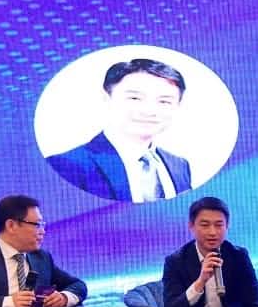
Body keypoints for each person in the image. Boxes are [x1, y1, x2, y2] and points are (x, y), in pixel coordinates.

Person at [47, 58, 193, 202]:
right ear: (106, 98)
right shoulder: (67, 164)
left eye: (164, 101)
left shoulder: (179, 165)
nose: (149, 111)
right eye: (135, 98)